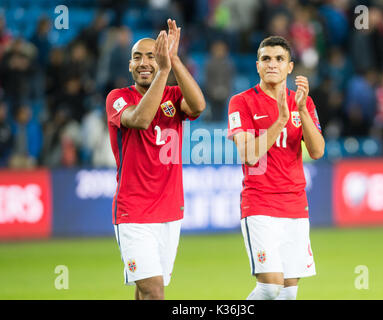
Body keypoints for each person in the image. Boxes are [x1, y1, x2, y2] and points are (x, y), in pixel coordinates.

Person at [105, 19, 205, 300]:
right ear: (129, 65)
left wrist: (172, 59)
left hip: (170, 210)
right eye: (137, 57)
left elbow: (198, 105)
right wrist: (163, 70)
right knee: (154, 291)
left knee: (145, 290)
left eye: (151, 55)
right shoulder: (118, 98)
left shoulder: (173, 96)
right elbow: (141, 118)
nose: (144, 62)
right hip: (133, 211)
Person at [227, 36, 324, 300]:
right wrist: (281, 119)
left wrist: (302, 110)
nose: (273, 64)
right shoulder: (242, 102)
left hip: (295, 205)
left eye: (279, 59)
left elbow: (317, 151)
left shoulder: (302, 102)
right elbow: (249, 154)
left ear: (290, 67)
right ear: (257, 65)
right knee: (270, 287)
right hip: (260, 204)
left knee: (288, 294)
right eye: (266, 59)